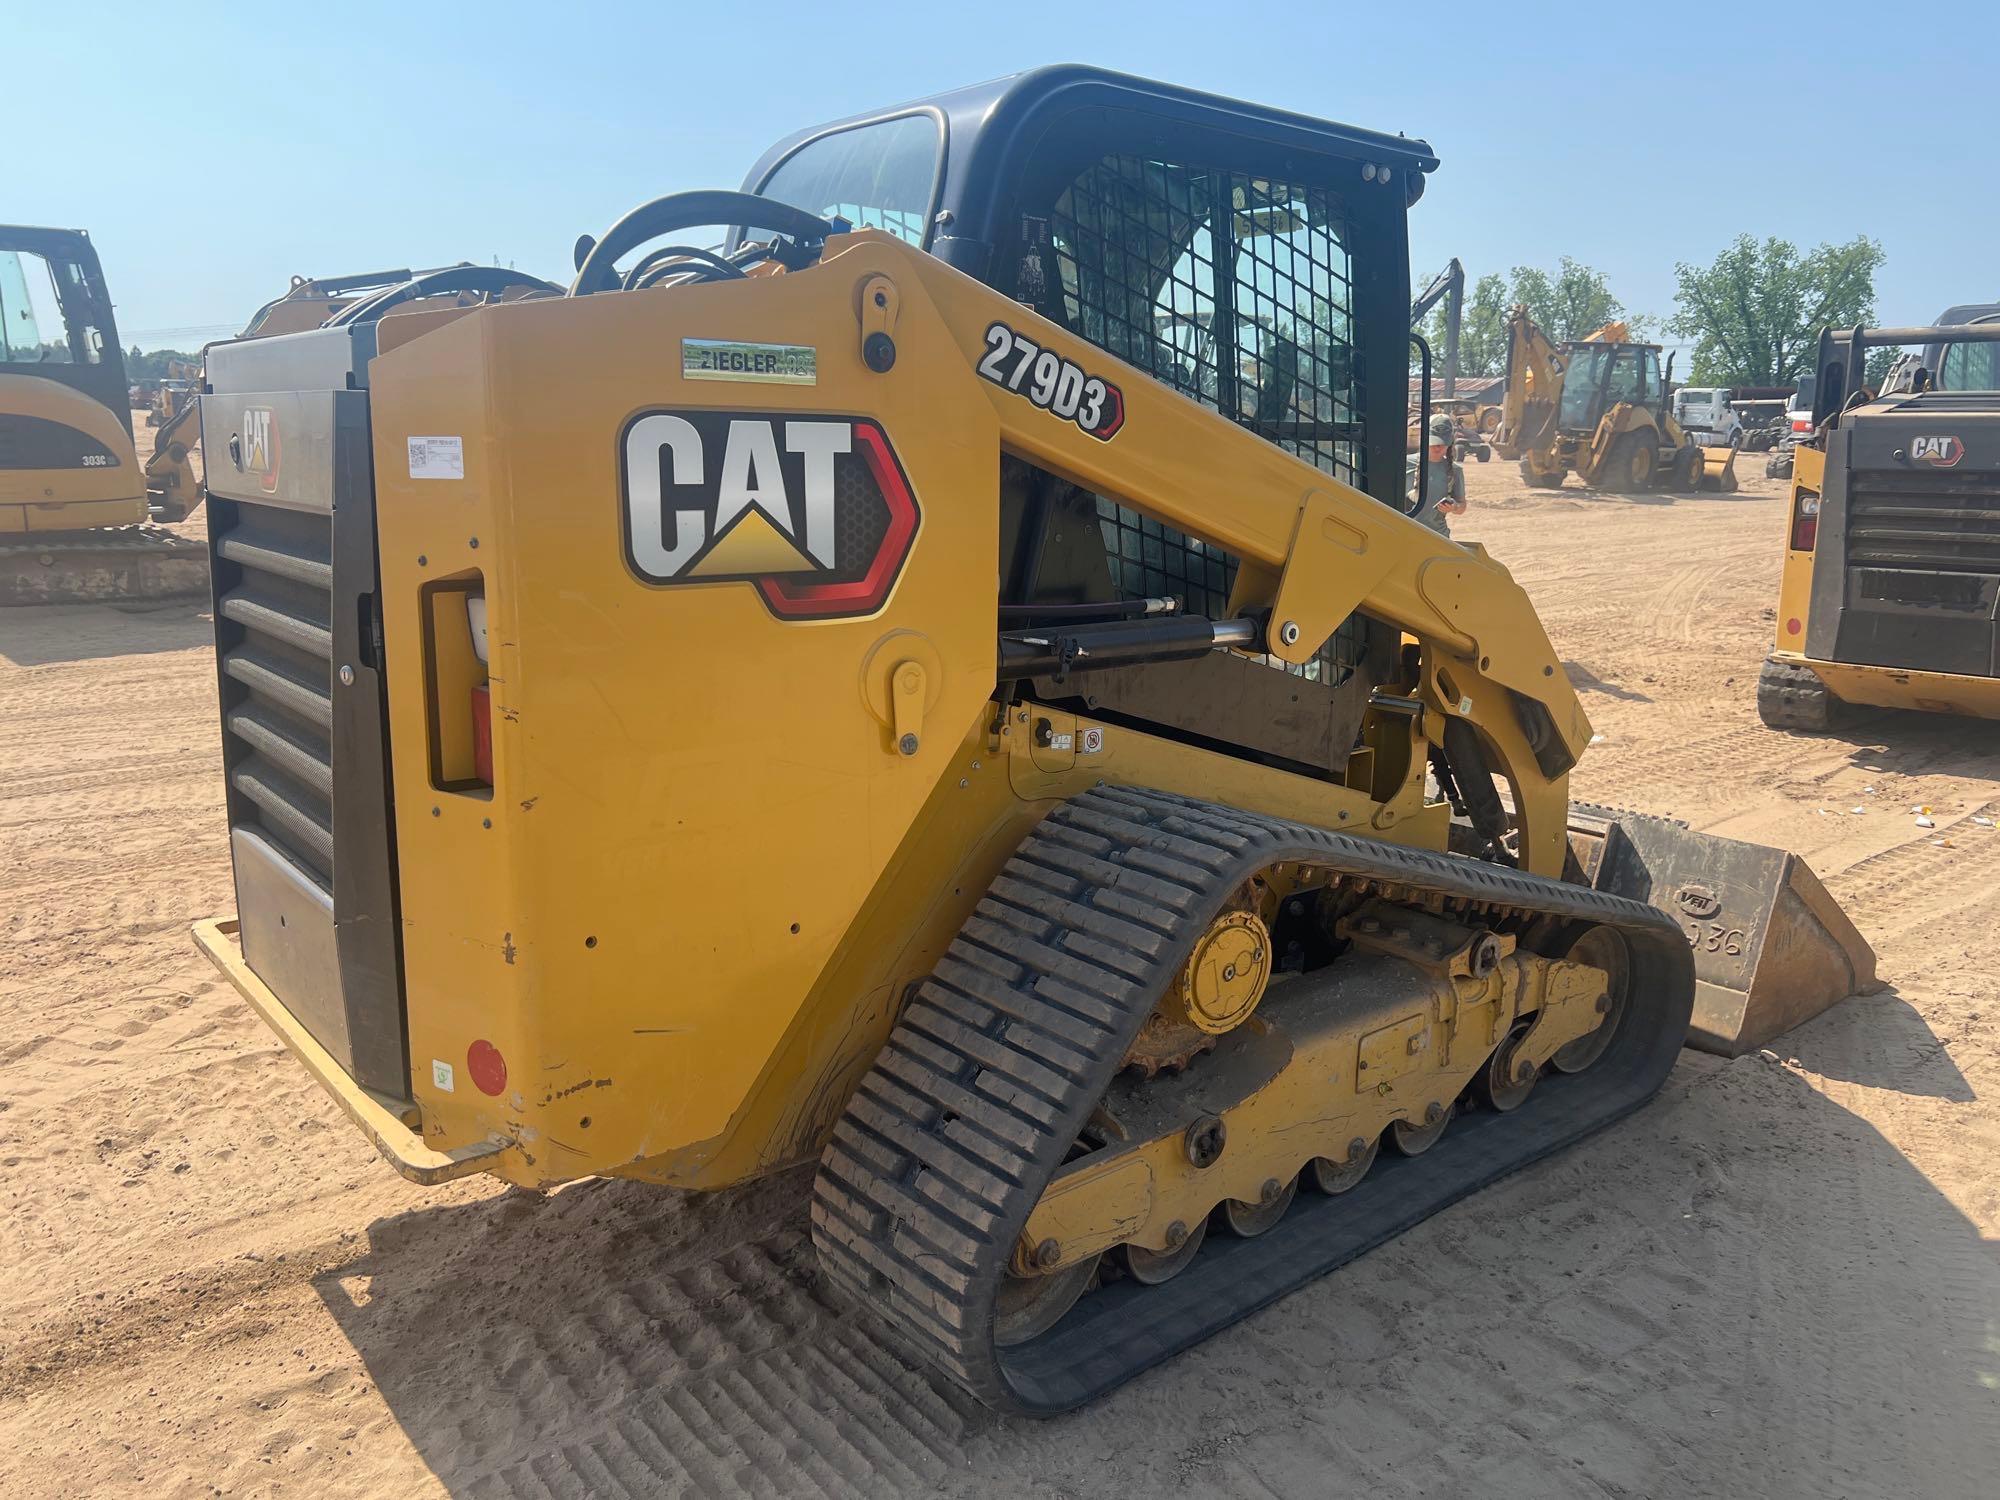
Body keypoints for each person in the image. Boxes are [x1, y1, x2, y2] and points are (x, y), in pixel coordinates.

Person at [1405, 413, 1466, 536]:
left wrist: (1454, 507)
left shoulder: (1455, 471)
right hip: (1406, 534)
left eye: (1442, 444)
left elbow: (1462, 506)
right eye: (1434, 443)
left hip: (1438, 537)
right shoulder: (1405, 463)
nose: (1438, 448)